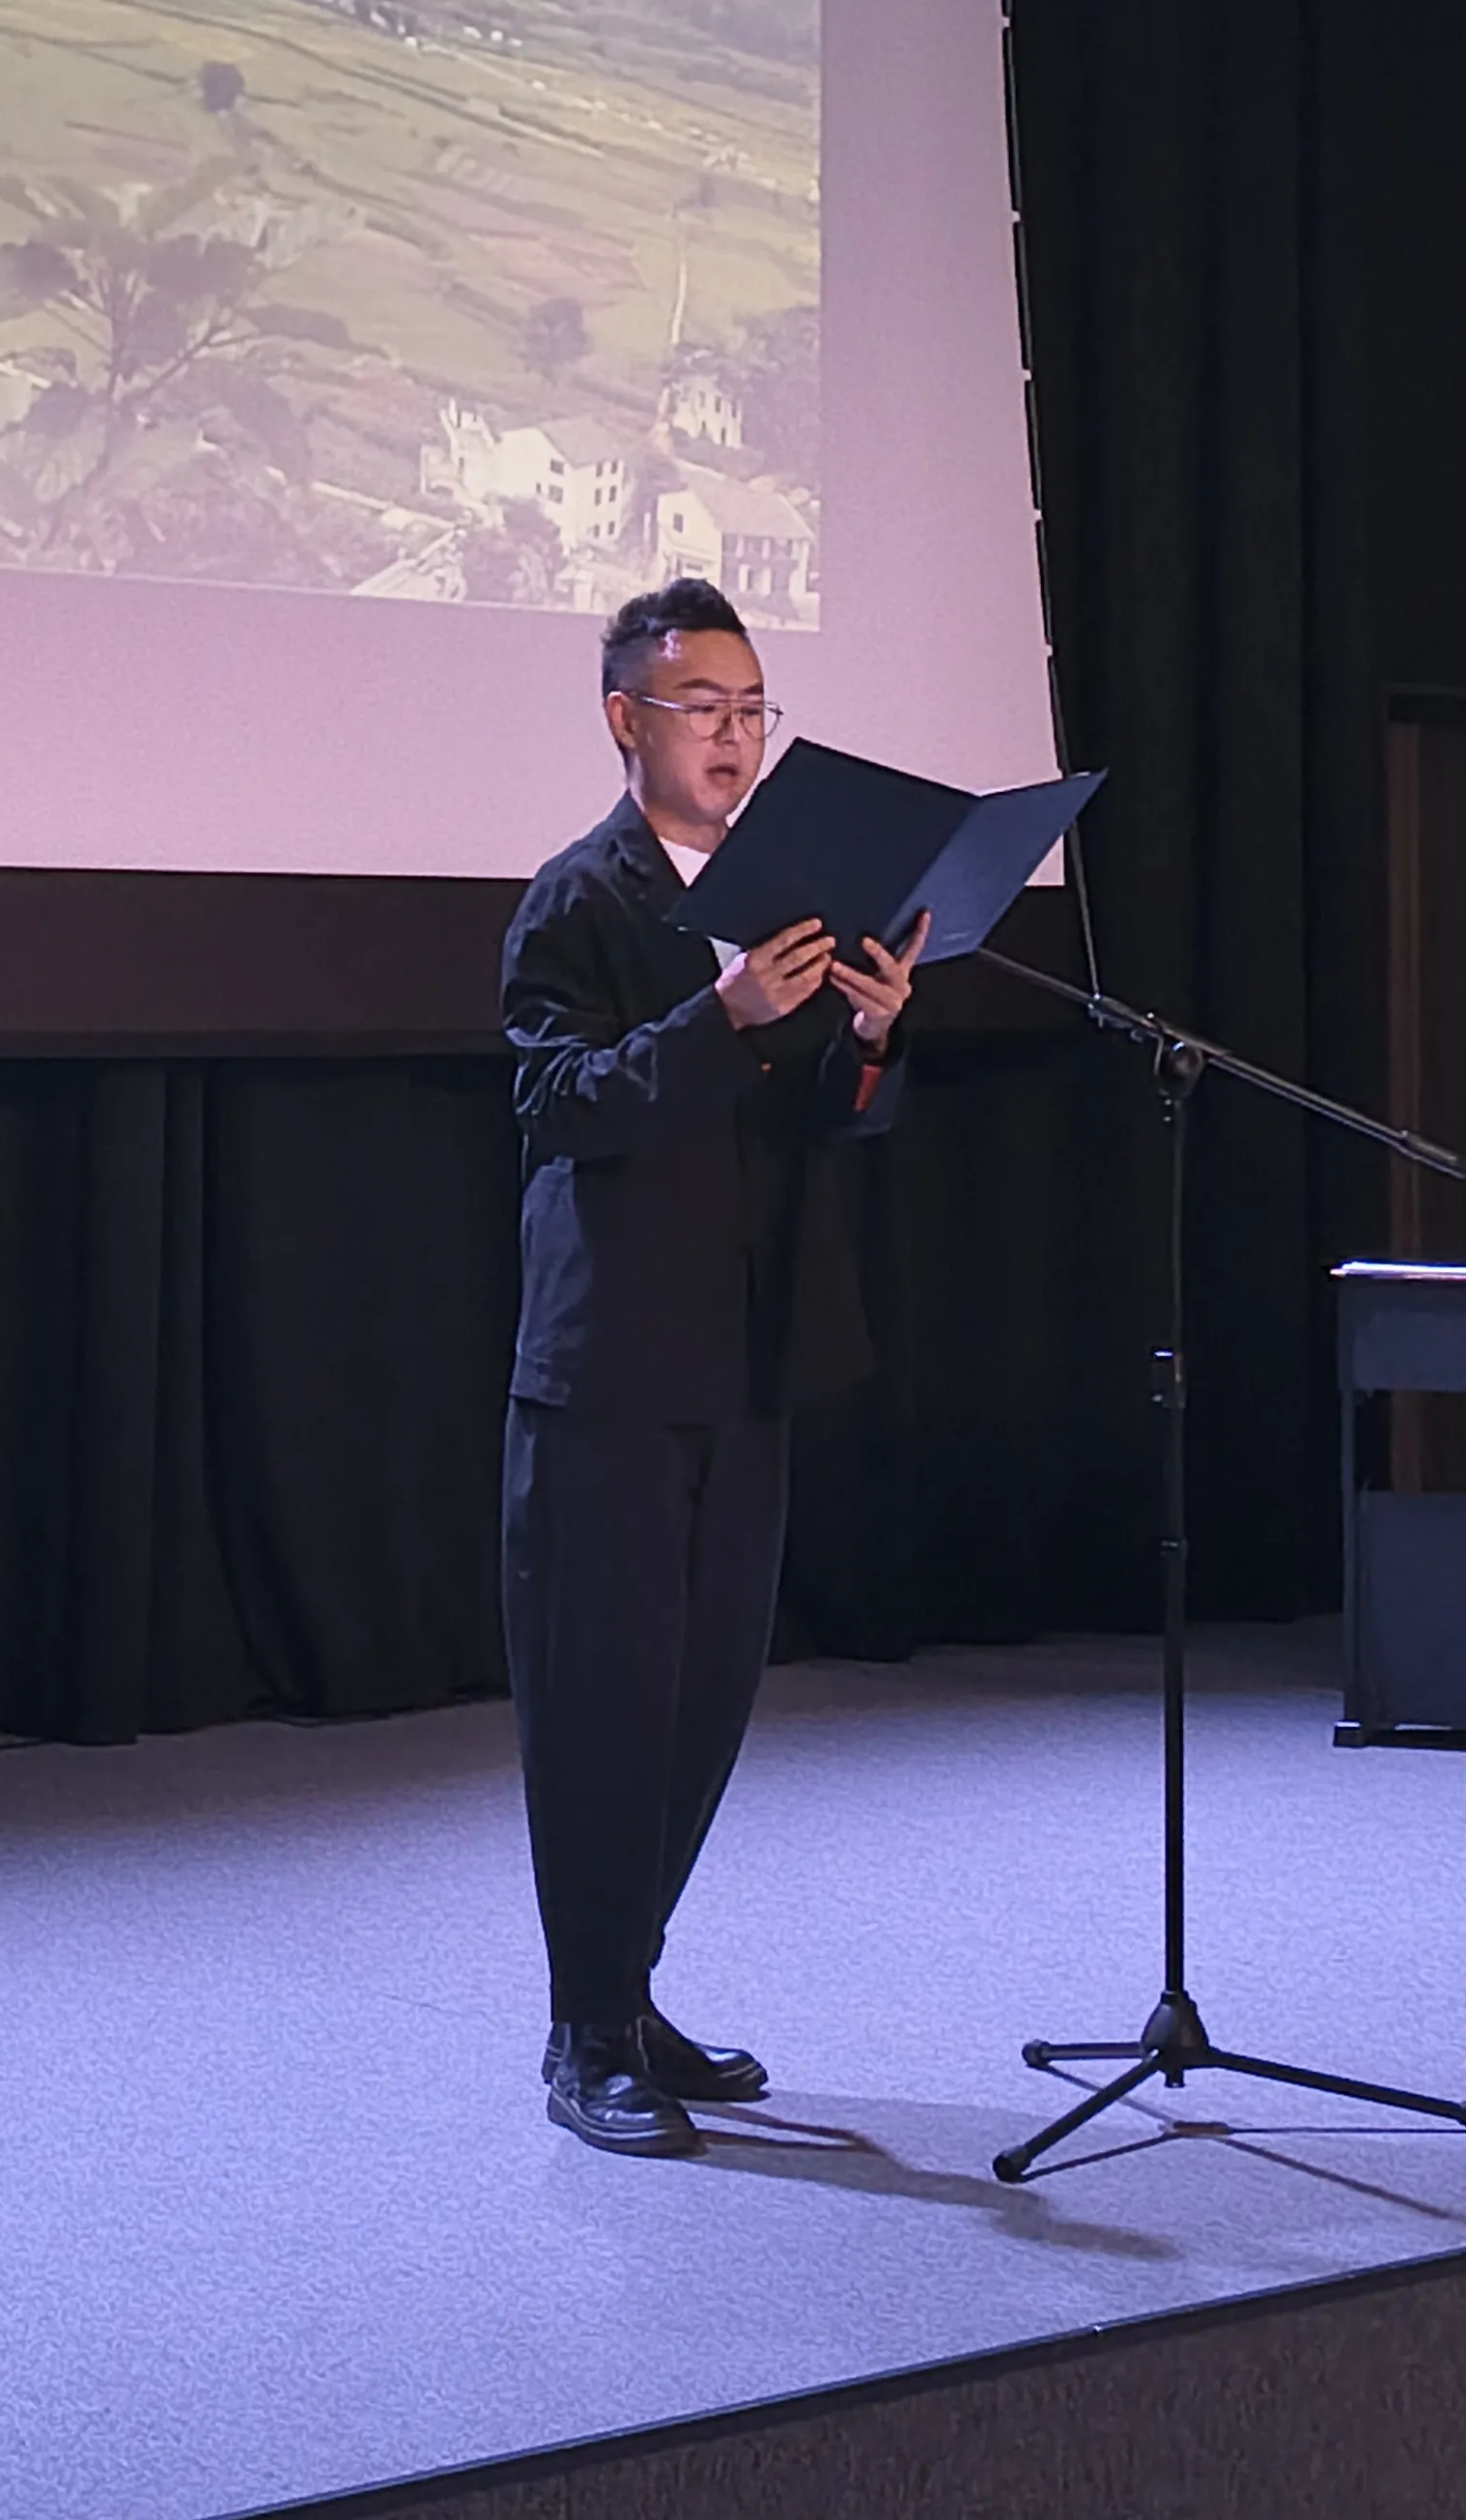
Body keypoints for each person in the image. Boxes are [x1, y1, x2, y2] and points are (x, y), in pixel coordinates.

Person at [498, 578, 924, 2159]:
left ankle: (631, 1986)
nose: (734, 737)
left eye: (754, 710)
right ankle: (583, 2031)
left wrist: (869, 1038)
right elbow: (561, 1105)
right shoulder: (576, 900)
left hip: (748, 1358)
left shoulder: (792, 900)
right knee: (603, 1710)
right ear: (627, 720)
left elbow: (822, 1123)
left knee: (704, 1707)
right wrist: (725, 1014)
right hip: (610, 1369)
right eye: (703, 708)